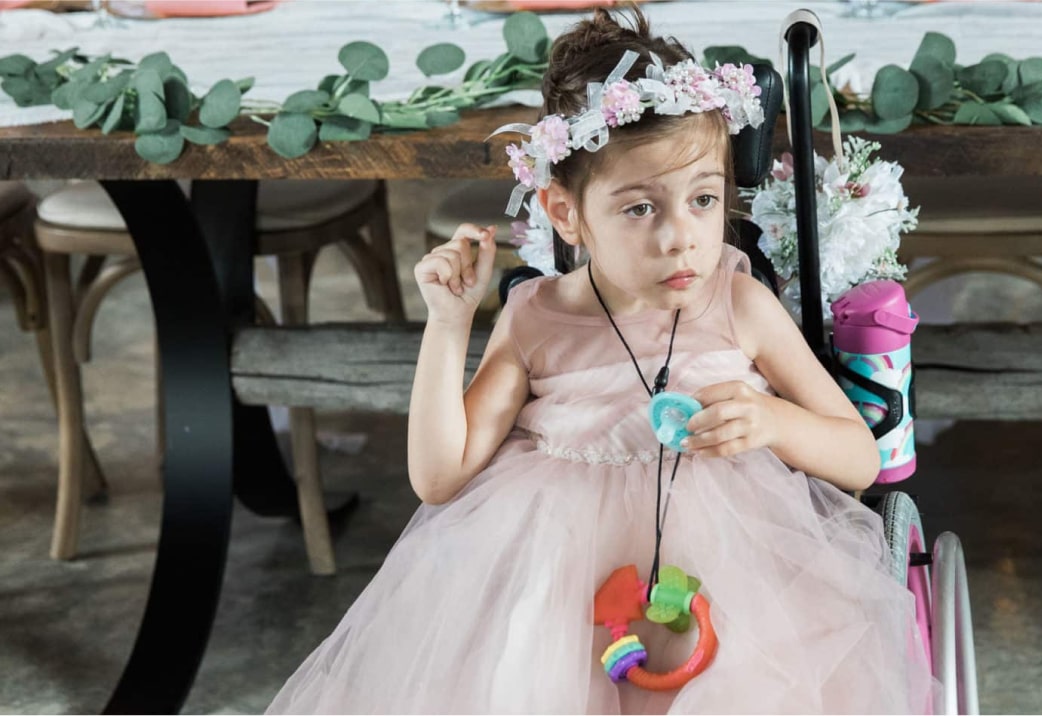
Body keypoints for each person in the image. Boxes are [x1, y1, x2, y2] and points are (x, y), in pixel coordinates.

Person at [267, 8, 936, 713]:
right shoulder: (537, 320)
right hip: (559, 574)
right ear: (565, 213)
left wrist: (771, 420)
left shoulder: (741, 306)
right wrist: (449, 325)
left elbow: (859, 459)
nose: (681, 238)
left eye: (704, 200)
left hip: (734, 568)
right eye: (640, 209)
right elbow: (438, 477)